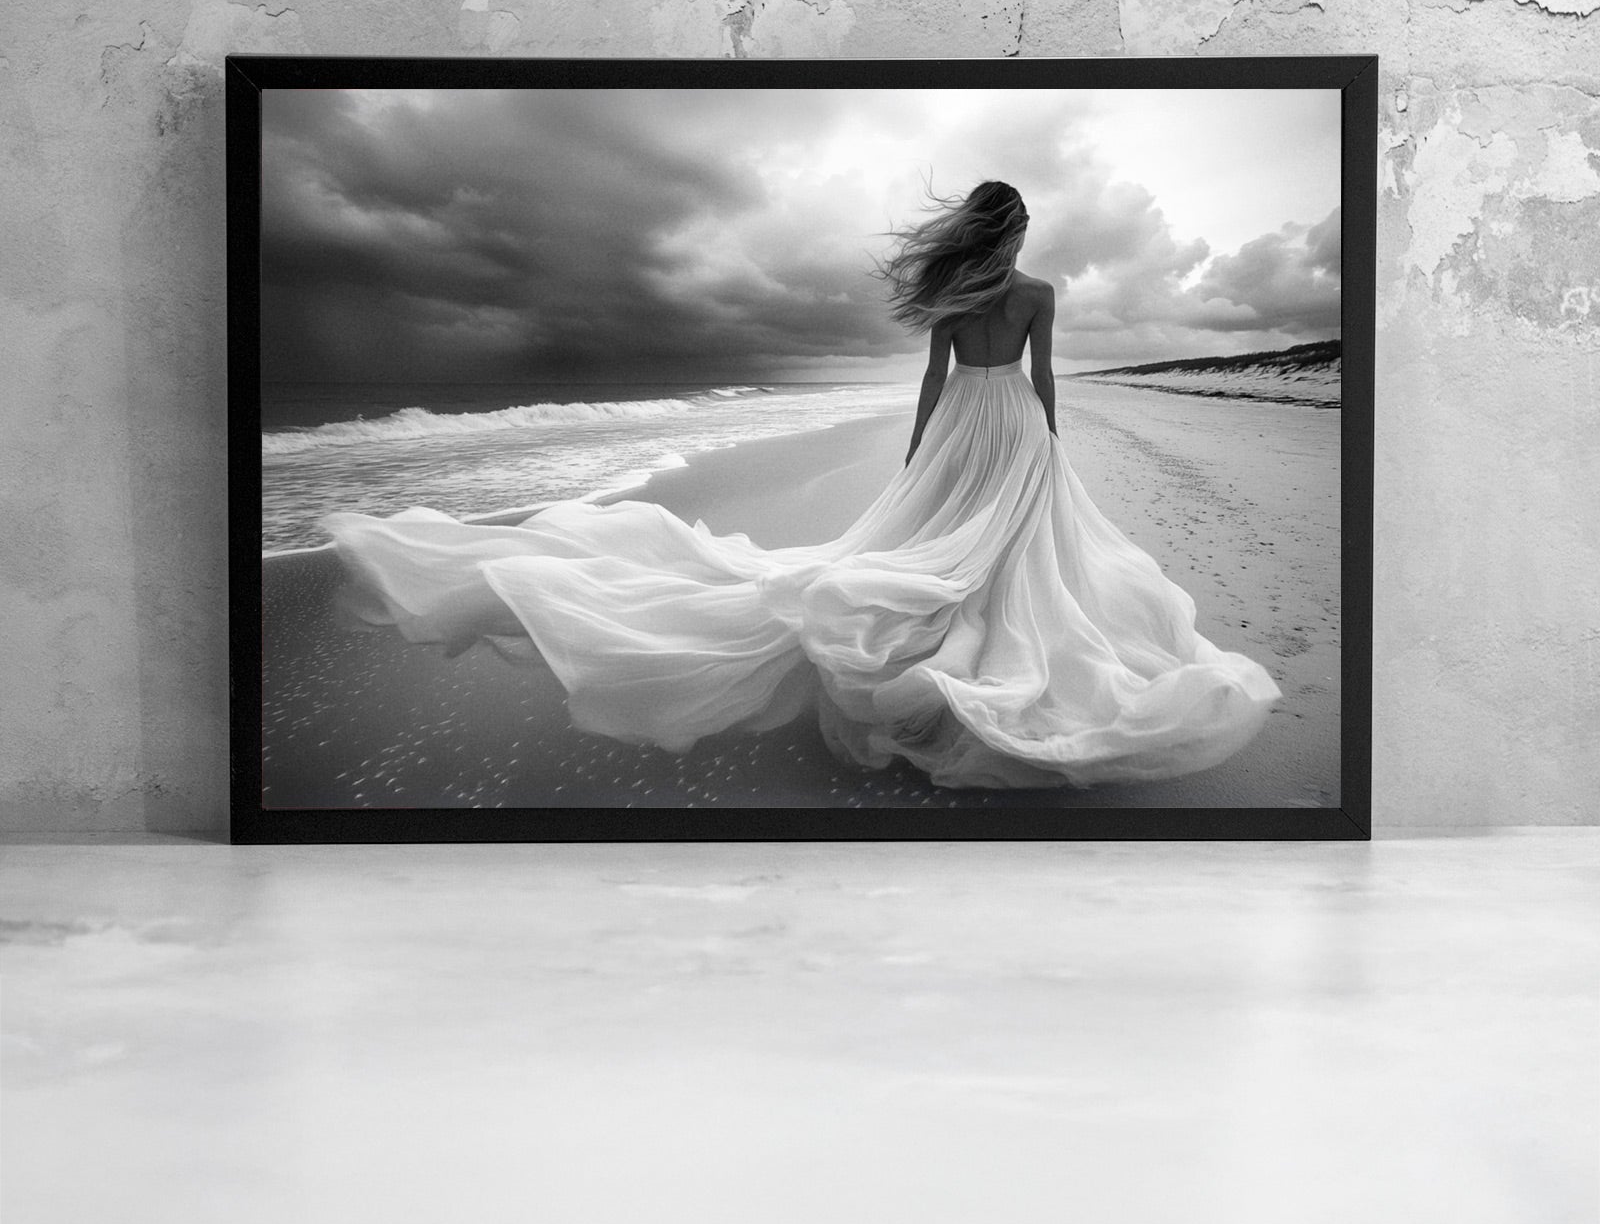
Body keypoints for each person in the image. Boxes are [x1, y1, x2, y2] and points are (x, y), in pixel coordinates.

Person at [323, 181, 1278, 789]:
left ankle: (947, 631)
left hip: (962, 422)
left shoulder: (959, 296)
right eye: (1022, 227)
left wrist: (918, 451)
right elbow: (1044, 376)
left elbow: (937, 380)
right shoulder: (1036, 296)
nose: (1024, 239)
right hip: (1016, 421)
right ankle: (975, 636)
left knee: (942, 538)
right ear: (1015, 232)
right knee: (1010, 547)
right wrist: (1049, 441)